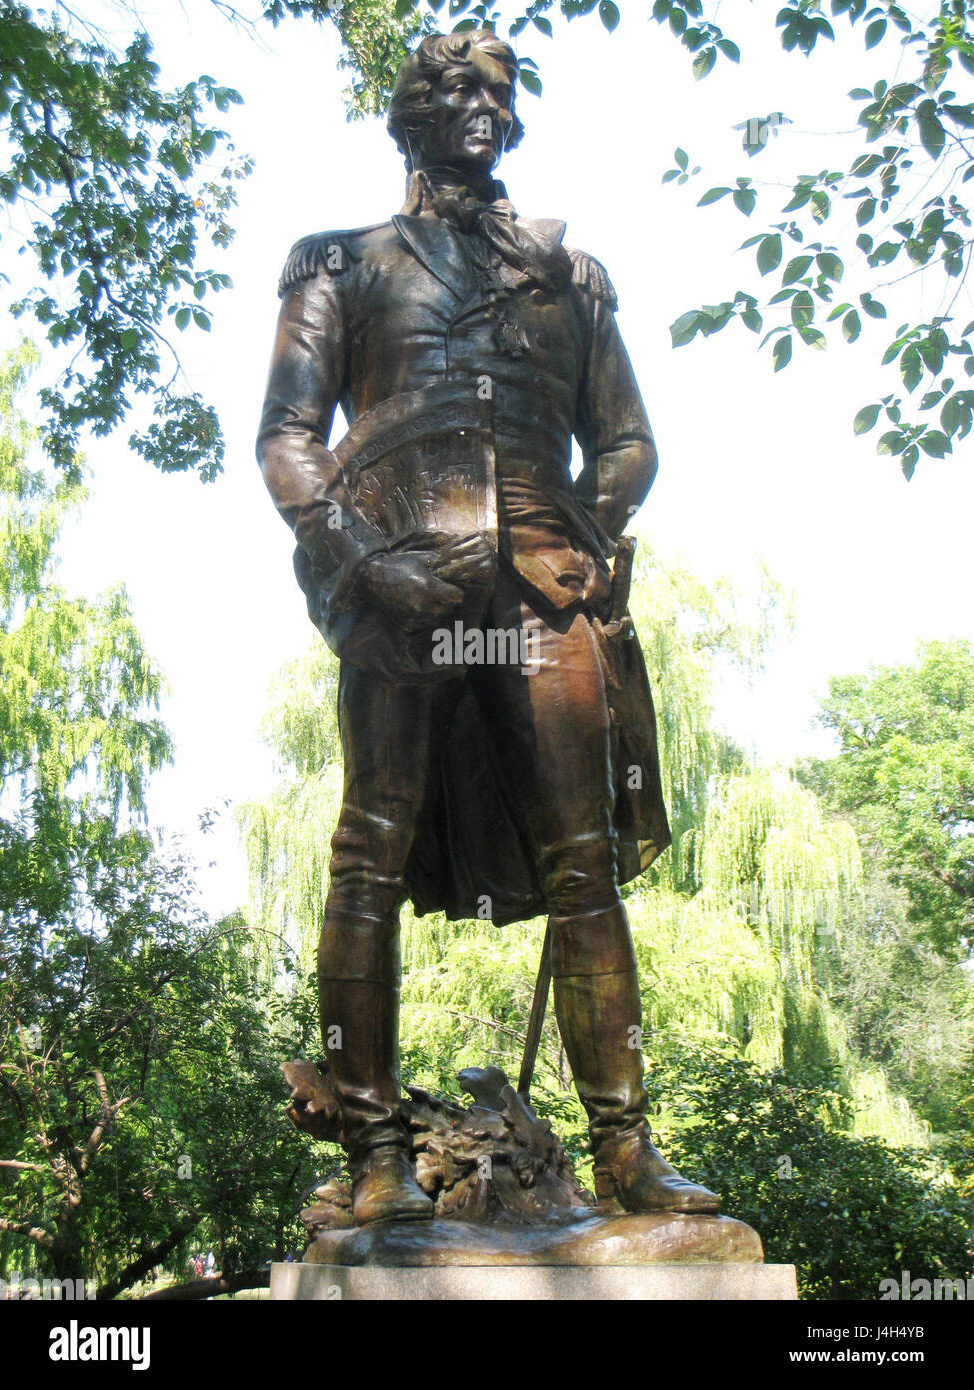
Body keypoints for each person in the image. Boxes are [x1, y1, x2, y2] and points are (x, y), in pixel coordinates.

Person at [257, 28, 719, 1225]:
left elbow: (628, 437)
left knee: (584, 859)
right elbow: (287, 439)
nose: (484, 109)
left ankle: (624, 1153)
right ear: (410, 115)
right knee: (369, 843)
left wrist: (589, 529)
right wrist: (359, 557)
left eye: (500, 94)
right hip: (403, 586)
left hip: (541, 595)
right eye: (457, 90)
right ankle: (372, 1154)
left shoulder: (573, 279)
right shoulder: (340, 265)